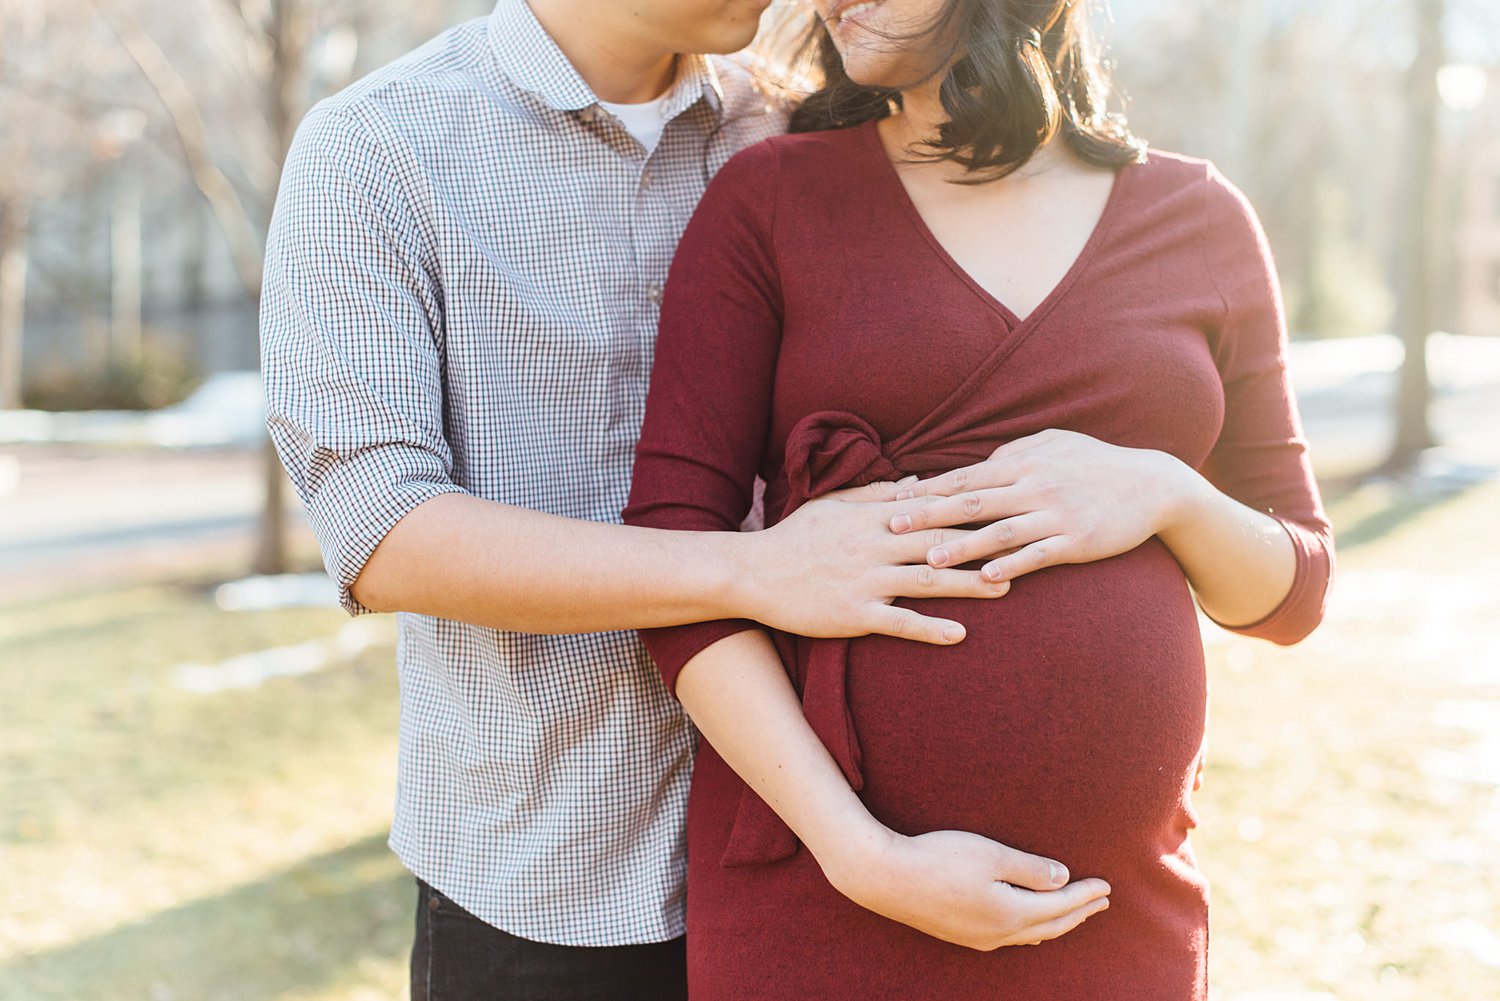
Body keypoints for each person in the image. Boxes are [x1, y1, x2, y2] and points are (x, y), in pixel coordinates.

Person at [260, 1, 1105, 998]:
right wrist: (755, 570)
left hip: (821, 864)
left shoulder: (795, 128)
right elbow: (384, 532)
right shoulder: (376, 148)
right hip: (547, 890)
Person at [623, 0, 1336, 997]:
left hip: (1105, 912)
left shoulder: (1196, 219)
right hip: (825, 899)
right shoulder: (773, 197)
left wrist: (1165, 491)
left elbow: (1294, 589)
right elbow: (673, 549)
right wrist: (859, 853)